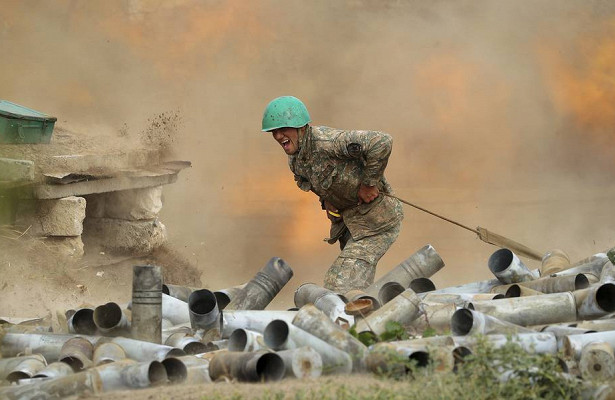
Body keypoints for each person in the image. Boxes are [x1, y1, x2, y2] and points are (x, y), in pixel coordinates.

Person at [261, 96, 403, 294]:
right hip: (350, 226)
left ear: (301, 127)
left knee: (340, 285)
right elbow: (318, 182)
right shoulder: (296, 161)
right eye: (274, 132)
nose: (278, 136)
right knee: (355, 286)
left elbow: (381, 142)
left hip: (376, 222)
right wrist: (327, 200)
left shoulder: (328, 142)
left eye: (283, 129)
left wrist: (369, 183)